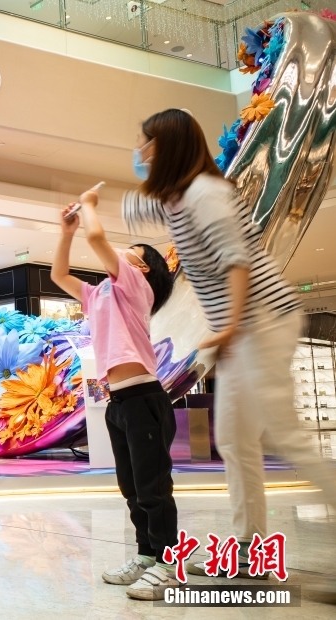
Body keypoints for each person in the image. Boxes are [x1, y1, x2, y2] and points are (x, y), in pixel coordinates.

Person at [122, 108, 336, 590]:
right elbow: (137, 207)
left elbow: (237, 262)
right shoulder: (180, 200)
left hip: (262, 323)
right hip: (243, 332)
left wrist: (231, 326)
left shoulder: (206, 194)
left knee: (287, 437)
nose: (139, 151)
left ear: (167, 147)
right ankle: (247, 551)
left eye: (145, 142)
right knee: (238, 442)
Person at [51, 188, 177, 601]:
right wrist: (65, 232)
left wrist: (88, 205)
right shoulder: (99, 293)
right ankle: (146, 555)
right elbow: (59, 276)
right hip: (118, 403)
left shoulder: (136, 286)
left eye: (130, 251)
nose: (121, 253)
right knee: (133, 488)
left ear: (142, 266)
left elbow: (97, 238)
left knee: (153, 488)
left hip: (143, 398)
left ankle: (168, 565)